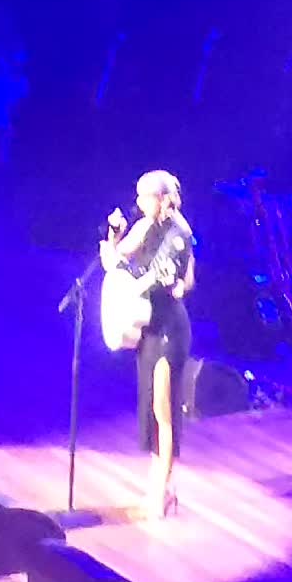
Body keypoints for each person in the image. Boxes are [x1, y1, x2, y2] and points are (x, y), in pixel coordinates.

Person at [100, 170, 195, 519]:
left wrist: (174, 285)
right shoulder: (145, 226)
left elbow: (175, 277)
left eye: (145, 197)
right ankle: (161, 487)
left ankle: (162, 490)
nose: (139, 203)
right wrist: (114, 235)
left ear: (163, 198)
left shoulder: (180, 234)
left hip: (170, 328)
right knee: (151, 409)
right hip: (148, 325)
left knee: (163, 409)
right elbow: (115, 261)